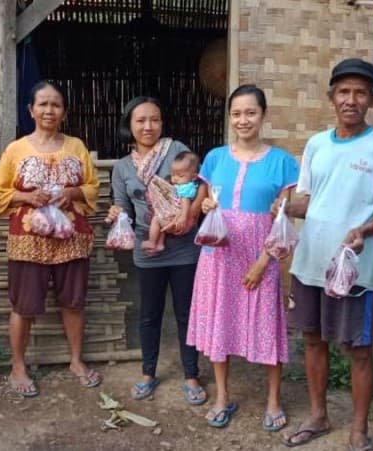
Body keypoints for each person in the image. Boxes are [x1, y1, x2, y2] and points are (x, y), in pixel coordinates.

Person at [279, 59, 373, 450]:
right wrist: (282, 208)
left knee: (359, 349)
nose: (351, 99)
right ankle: (318, 416)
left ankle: (359, 430)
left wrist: (365, 230)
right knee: (313, 341)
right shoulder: (316, 144)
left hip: (352, 270)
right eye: (344, 92)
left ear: (372, 100)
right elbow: (308, 200)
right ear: (332, 97)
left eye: (360, 93)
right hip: (310, 263)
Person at [187, 84, 299, 430]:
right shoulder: (215, 158)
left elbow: (284, 222)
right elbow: (203, 204)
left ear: (263, 115)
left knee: (268, 323)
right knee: (220, 321)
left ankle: (273, 401)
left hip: (259, 255)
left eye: (250, 112)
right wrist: (204, 206)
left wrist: (265, 262)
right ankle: (222, 396)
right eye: (236, 113)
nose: (243, 119)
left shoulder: (282, 162)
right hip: (218, 255)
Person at [0, 80, 102, 397]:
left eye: (55, 104)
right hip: (29, 239)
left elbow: (92, 187)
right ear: (31, 110)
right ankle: (18, 365)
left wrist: (74, 191)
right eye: (43, 104)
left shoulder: (76, 147)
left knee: (74, 303)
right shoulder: (16, 150)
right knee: (23, 305)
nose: (49, 110)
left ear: (63, 111)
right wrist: (27, 195)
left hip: (71, 237)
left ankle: (76, 361)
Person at [105, 96, 208, 404]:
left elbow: (202, 184)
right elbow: (123, 205)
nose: (148, 126)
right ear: (130, 125)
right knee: (149, 314)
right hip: (147, 247)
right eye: (141, 120)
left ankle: (191, 374)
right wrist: (116, 214)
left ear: (162, 123)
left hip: (184, 247)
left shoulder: (177, 151)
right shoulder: (123, 167)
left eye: (155, 119)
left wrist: (189, 216)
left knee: (186, 313)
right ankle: (148, 372)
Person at [141, 150, 201, 254]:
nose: (175, 178)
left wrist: (183, 217)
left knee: (156, 219)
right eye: (173, 175)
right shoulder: (188, 185)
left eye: (180, 176)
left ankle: (152, 241)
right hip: (175, 216)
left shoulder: (184, 188)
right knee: (161, 223)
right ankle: (160, 244)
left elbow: (185, 202)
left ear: (194, 176)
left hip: (176, 217)